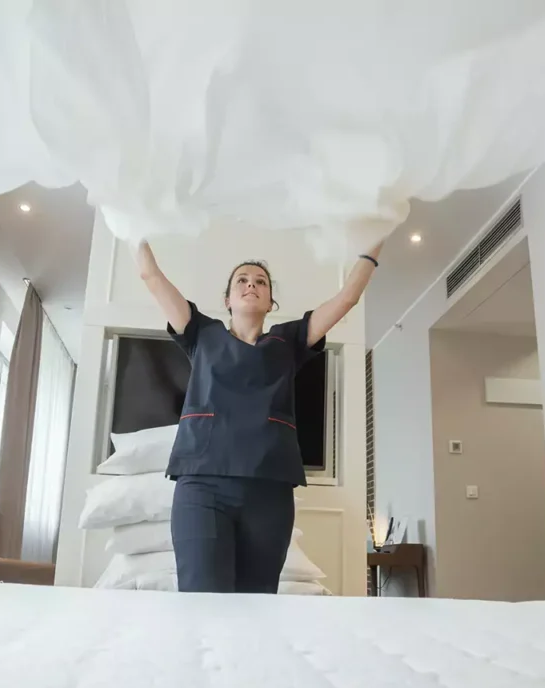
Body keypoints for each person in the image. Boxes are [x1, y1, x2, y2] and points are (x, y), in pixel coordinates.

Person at [136, 239, 385, 593]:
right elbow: (150, 274)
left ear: (270, 303)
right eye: (242, 280)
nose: (251, 284)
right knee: (201, 598)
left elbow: (347, 298)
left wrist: (374, 240)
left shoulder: (289, 341)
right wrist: (133, 222)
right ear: (227, 300)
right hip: (202, 486)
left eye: (261, 282)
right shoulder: (200, 333)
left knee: (256, 604)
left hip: (268, 493)